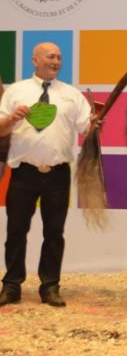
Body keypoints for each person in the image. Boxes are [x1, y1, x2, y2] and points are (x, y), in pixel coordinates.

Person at [0, 42, 99, 307]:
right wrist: (12, 118)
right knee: (16, 231)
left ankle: (50, 286)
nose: (56, 61)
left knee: (54, 232)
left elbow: (85, 129)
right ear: (35, 60)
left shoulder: (71, 94)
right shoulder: (16, 91)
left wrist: (95, 123)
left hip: (58, 175)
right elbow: (0, 129)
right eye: (50, 56)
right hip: (23, 174)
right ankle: (11, 286)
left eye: (59, 57)